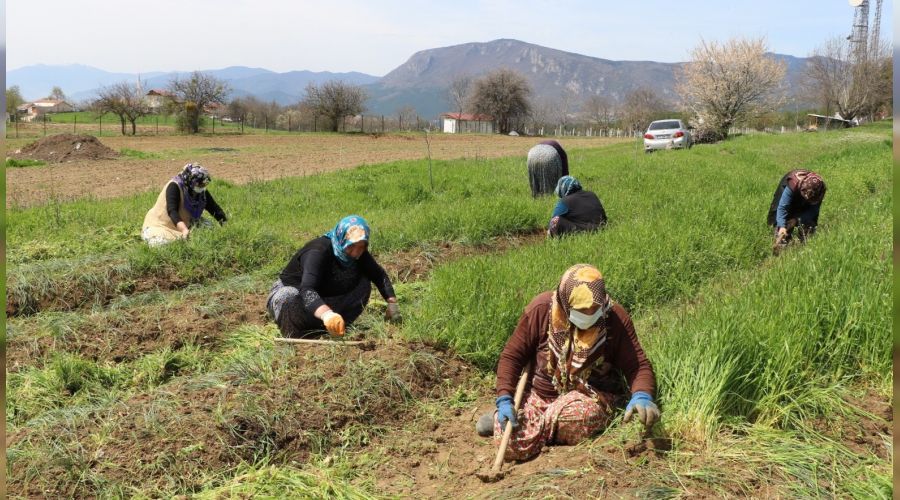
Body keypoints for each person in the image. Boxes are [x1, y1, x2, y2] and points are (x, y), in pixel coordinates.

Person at [475, 264, 658, 461]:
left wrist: (642, 395)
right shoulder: (541, 310)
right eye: (581, 310)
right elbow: (512, 357)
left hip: (586, 399)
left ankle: (535, 428)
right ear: (565, 301)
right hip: (540, 396)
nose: (588, 315)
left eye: (593, 309)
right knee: (510, 442)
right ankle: (521, 420)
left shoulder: (614, 318)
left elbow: (637, 364)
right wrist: (505, 399)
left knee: (580, 416)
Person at [267, 215, 400, 338]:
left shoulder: (360, 253)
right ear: (342, 239)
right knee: (288, 295)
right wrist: (327, 314)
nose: (355, 253)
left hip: (326, 298)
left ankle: (336, 327)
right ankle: (296, 334)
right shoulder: (318, 251)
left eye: (361, 247)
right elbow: (307, 289)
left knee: (364, 282)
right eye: (351, 247)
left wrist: (392, 304)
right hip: (297, 299)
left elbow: (378, 274)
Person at [141, 163, 227, 247]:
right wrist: (184, 229)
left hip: (186, 222)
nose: (202, 187)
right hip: (162, 224)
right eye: (199, 185)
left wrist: (225, 223)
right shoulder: (174, 186)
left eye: (204, 185)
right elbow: (172, 211)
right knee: (161, 244)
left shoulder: (200, 190)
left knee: (210, 230)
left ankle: (184, 235)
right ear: (189, 181)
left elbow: (213, 207)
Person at [766, 169, 826, 252]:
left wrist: (796, 220)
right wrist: (782, 226)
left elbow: (813, 211)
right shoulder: (792, 184)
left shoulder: (819, 190)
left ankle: (805, 248)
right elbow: (783, 207)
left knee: (809, 224)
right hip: (792, 189)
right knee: (781, 223)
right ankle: (781, 247)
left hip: (809, 195)